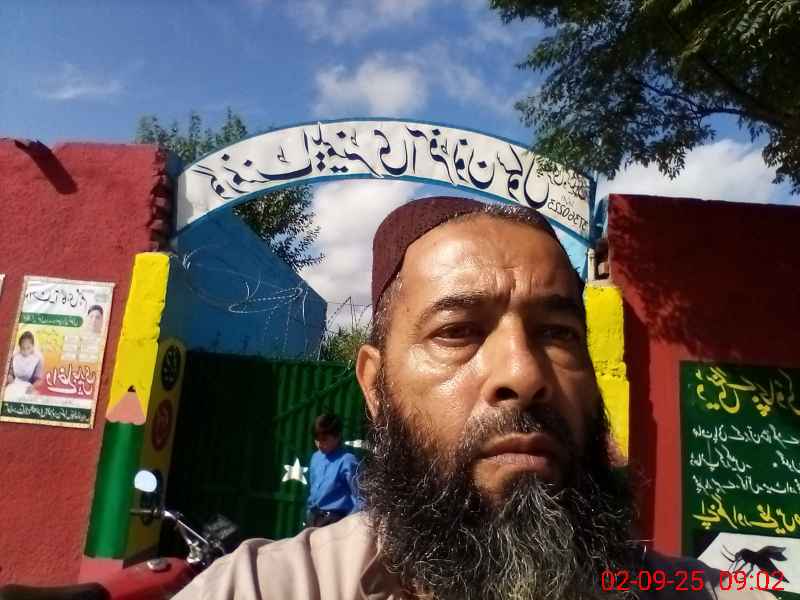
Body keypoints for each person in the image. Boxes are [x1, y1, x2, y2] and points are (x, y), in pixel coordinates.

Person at [174, 197, 771, 600]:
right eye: (458, 331)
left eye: (558, 333)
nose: (524, 373)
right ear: (375, 386)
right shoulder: (262, 588)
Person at [306, 413, 361, 527]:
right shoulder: (315, 457)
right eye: (316, 439)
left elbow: (360, 497)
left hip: (335, 521)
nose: (319, 444)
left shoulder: (347, 460)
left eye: (324, 439)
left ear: (337, 436)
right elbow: (313, 488)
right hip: (314, 517)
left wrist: (347, 522)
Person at [4, 331, 44, 401]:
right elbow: (10, 373)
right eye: (23, 348)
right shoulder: (15, 356)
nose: (25, 351)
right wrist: (10, 378)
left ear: (33, 346)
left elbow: (39, 380)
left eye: (28, 348)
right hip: (14, 385)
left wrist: (32, 387)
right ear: (19, 347)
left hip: (28, 387)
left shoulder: (37, 359)